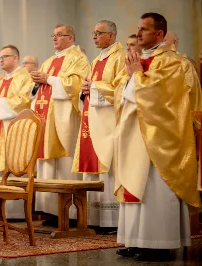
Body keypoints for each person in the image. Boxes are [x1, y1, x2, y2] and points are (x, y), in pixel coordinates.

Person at [114, 13, 201, 261]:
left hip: (161, 138)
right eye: (138, 29)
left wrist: (135, 75)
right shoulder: (139, 60)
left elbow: (163, 98)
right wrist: (131, 75)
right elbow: (121, 92)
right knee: (135, 185)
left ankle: (160, 244)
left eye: (144, 29)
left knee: (154, 188)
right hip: (134, 136)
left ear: (160, 34)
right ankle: (136, 240)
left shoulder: (173, 63)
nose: (138, 33)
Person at [30, 24, 90, 226]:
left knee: (65, 161)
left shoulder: (78, 58)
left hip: (64, 119)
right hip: (45, 118)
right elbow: (39, 88)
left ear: (70, 38)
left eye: (59, 35)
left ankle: (70, 214)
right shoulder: (49, 61)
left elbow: (76, 85)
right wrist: (38, 83)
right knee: (47, 163)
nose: (54, 39)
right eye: (53, 35)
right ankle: (50, 212)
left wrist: (49, 79)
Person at [72, 20, 125, 233]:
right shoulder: (96, 60)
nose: (94, 36)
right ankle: (93, 218)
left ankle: (110, 221)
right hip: (92, 118)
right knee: (93, 164)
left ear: (111, 36)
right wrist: (86, 89)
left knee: (108, 166)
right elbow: (91, 87)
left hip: (108, 122)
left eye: (98, 33)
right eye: (93, 33)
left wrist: (94, 87)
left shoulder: (120, 58)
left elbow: (121, 88)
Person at [0, 45, 32, 219]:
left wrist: (2, 102)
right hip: (0, 127)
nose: (1, 60)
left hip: (15, 129)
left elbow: (24, 101)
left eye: (5, 56)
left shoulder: (24, 77)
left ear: (15, 58)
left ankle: (13, 211)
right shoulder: (1, 80)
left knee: (11, 165)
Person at [164, 31, 202, 113]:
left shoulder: (186, 63)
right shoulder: (155, 63)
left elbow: (191, 92)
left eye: (164, 41)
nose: (161, 45)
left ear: (174, 42)